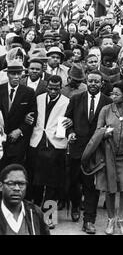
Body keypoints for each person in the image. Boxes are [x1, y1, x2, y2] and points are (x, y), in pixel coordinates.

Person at [64, 70, 113, 234]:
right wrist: (69, 132)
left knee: (92, 187)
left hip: (96, 151)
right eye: (90, 81)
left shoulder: (108, 102)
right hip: (77, 149)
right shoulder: (76, 99)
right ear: (86, 81)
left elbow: (111, 124)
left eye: (96, 82)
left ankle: (89, 221)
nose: (93, 84)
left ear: (102, 84)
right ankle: (76, 205)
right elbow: (67, 120)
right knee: (73, 183)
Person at [87, 81, 123, 235]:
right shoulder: (106, 110)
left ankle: (121, 219)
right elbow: (98, 130)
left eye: (117, 94)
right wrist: (104, 133)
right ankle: (111, 219)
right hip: (109, 154)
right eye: (112, 93)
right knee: (110, 188)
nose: (113, 96)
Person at [28, 75, 69, 229]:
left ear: (61, 87)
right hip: (37, 142)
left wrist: (70, 122)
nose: (52, 91)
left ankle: (49, 216)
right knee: (36, 182)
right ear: (46, 86)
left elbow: (69, 120)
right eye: (50, 88)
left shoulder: (66, 102)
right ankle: (36, 214)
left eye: (56, 88)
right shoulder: (38, 98)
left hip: (55, 145)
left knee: (52, 183)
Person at [0, 60, 37, 171]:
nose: (16, 77)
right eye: (13, 74)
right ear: (7, 74)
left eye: (18, 73)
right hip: (1, 139)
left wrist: (20, 130)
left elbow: (33, 116)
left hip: (18, 142)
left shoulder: (28, 92)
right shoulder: (0, 89)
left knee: (14, 170)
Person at [0, 164, 50, 235]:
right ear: (1, 186)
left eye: (21, 184)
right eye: (11, 184)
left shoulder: (35, 213)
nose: (17, 188)